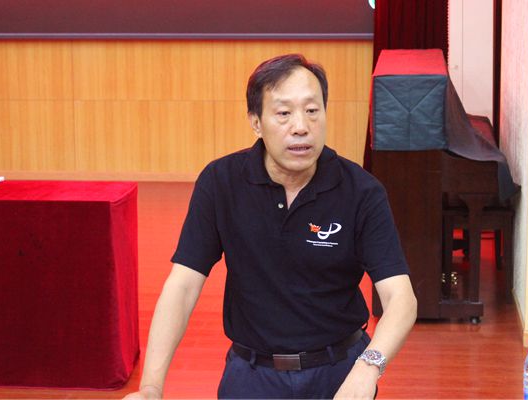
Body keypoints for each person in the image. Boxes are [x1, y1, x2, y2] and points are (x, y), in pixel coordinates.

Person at [125, 54, 417, 400]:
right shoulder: (221, 182)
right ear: (256, 122)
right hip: (252, 375)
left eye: (312, 110)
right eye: (283, 113)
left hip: (339, 370)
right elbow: (183, 286)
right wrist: (151, 387)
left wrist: (368, 368)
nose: (301, 126)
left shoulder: (361, 191)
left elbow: (401, 298)